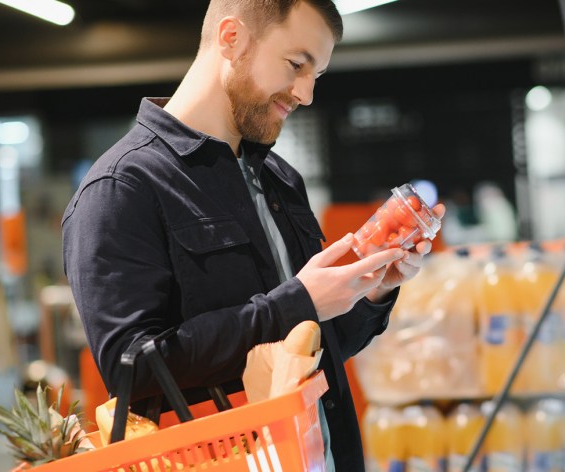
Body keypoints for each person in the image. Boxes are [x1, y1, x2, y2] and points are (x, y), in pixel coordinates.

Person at [61, 0, 443, 470]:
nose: (305, 93)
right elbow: (132, 369)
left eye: (315, 75)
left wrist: (373, 292)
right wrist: (298, 304)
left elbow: (317, 350)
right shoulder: (122, 188)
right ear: (231, 38)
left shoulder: (280, 178)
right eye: (296, 65)